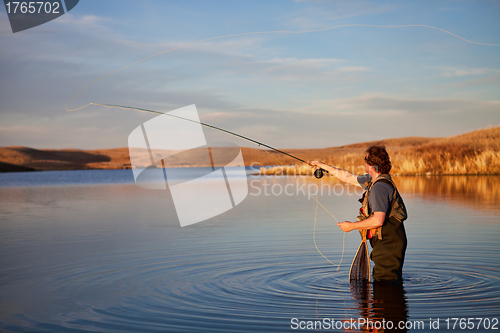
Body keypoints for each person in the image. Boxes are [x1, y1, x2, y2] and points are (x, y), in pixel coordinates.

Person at [311, 146, 408, 282]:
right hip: (387, 243)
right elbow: (347, 177)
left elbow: (378, 220)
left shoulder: (380, 187)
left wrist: (351, 226)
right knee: (387, 284)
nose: (364, 162)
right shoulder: (373, 181)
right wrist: (322, 165)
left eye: (365, 159)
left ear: (372, 165)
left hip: (389, 244)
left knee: (385, 284)